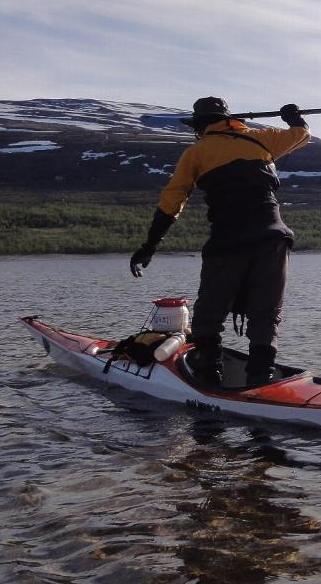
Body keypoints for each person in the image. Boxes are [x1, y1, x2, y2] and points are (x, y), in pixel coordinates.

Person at [129, 96, 311, 386]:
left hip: (229, 242)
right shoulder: (263, 139)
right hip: (273, 238)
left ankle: (208, 378)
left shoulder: (197, 152)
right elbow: (301, 134)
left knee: (208, 316)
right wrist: (293, 117)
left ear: (201, 126)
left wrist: (149, 246)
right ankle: (260, 381)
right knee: (265, 314)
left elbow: (171, 202)